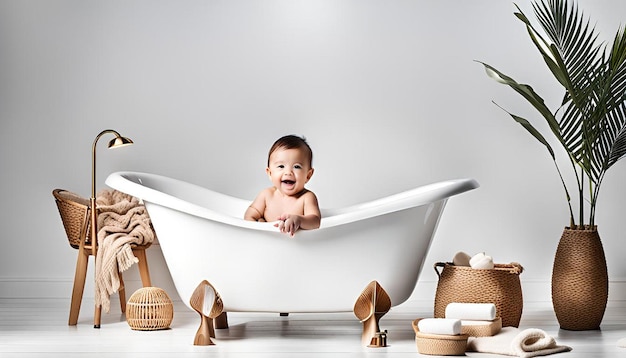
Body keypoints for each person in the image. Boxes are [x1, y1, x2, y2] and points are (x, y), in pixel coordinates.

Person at [244, 135, 321, 236]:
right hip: (266, 243)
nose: (288, 172)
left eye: (297, 166)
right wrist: (259, 228)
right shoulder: (266, 195)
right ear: (270, 173)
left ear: (308, 175)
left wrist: (299, 220)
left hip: (296, 248)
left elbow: (315, 221)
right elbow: (249, 215)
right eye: (281, 166)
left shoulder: (307, 198)